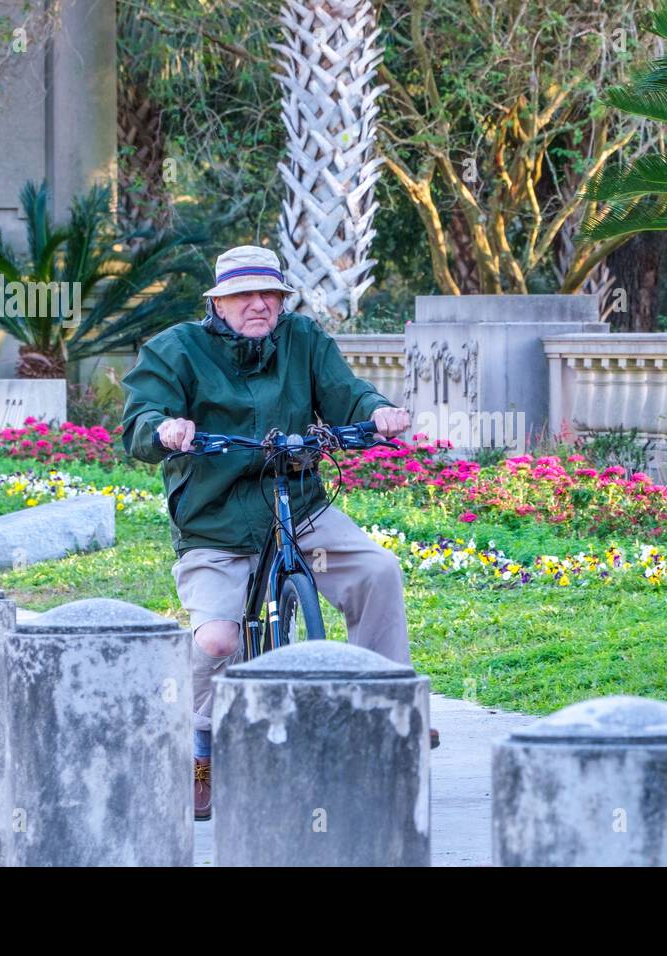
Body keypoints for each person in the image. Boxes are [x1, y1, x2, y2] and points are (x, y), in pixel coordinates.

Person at [120, 244, 434, 822]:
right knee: (217, 642)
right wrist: (166, 428)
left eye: (270, 294)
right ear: (219, 301)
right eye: (245, 295)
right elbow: (140, 421)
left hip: (300, 504)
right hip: (216, 523)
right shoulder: (176, 349)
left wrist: (379, 411)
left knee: (377, 570)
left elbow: (348, 393)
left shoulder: (303, 339)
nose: (260, 305)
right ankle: (198, 748)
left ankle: (388, 708)